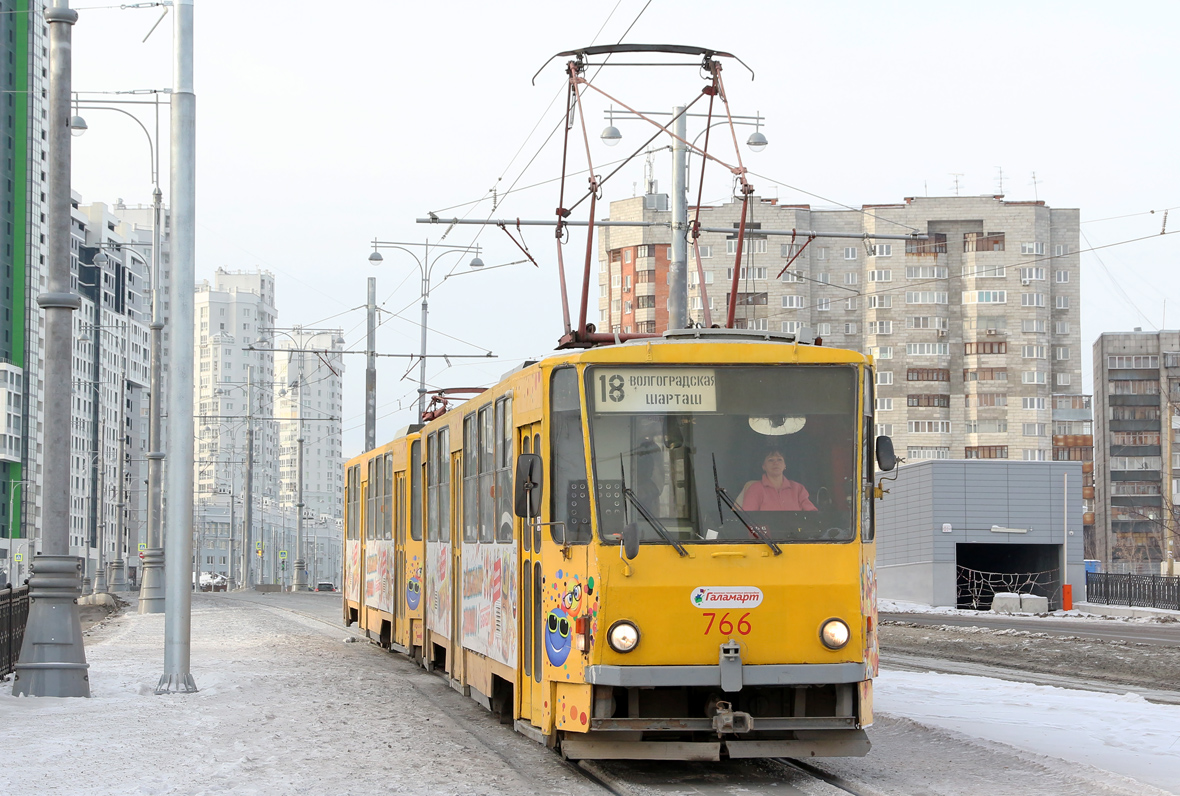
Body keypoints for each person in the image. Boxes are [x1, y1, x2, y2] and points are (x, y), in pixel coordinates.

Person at [741, 449, 817, 512]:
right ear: (763, 466)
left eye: (779, 460)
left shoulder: (798, 488)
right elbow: (748, 518)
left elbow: (812, 514)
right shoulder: (755, 488)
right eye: (771, 460)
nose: (776, 463)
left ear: (785, 466)